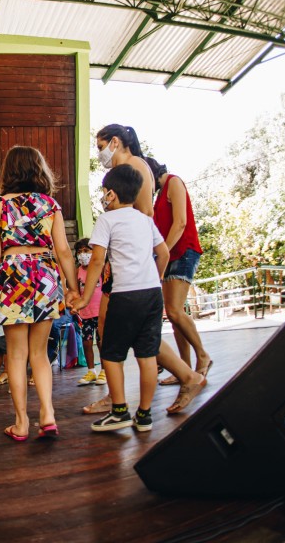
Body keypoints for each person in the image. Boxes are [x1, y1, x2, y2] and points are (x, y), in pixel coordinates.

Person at [84, 124, 206, 416]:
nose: (100, 153)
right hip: (132, 264)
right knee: (122, 329)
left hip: (132, 268)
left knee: (115, 329)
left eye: (101, 146)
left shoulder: (135, 166)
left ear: (115, 142)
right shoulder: (129, 169)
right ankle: (124, 394)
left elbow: (146, 216)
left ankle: (125, 397)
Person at [0, 146, 78, 441]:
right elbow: (65, 252)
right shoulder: (50, 205)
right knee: (40, 354)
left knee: (16, 356)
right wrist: (73, 288)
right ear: (39, 170)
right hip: (45, 274)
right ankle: (48, 415)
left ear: (9, 172)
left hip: (13, 275)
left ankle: (21, 423)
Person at [73, 164, 167, 433]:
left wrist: (84, 298)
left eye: (104, 193)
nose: (104, 198)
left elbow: (96, 260)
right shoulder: (145, 220)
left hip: (124, 296)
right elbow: (164, 253)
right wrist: (155, 280)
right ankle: (145, 416)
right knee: (147, 355)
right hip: (152, 294)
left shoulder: (107, 220)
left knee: (112, 354)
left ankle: (119, 411)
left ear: (111, 194)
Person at [148, 157, 212, 383]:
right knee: (173, 314)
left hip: (184, 251)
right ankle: (184, 370)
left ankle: (202, 356)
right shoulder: (157, 196)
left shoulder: (174, 182)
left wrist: (162, 250)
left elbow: (181, 222)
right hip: (169, 255)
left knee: (174, 310)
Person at [74, 238, 104, 386]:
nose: (82, 255)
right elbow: (74, 290)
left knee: (101, 342)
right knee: (87, 342)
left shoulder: (100, 268)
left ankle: (104, 371)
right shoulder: (77, 271)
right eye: (79, 252)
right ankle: (91, 371)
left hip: (100, 312)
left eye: (86, 251)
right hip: (85, 313)